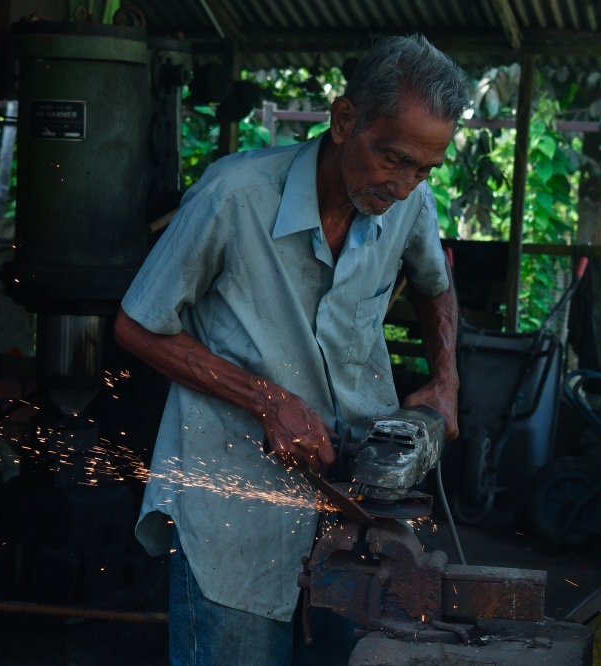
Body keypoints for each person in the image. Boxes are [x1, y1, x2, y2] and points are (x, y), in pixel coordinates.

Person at [114, 34, 468, 666]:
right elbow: (138, 326)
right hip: (233, 507)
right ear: (343, 120)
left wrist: (446, 380)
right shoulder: (234, 196)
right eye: (393, 159)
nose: (406, 185)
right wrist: (265, 399)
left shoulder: (410, 207)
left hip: (354, 515)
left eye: (424, 170)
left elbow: (437, 287)